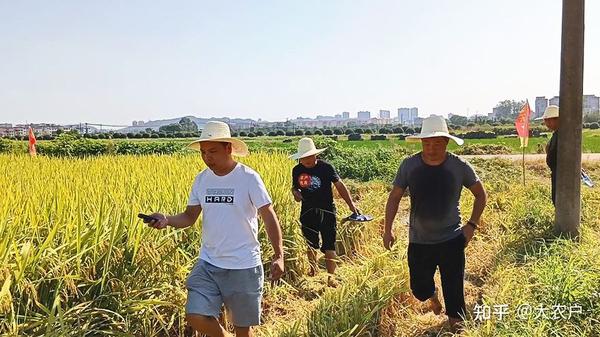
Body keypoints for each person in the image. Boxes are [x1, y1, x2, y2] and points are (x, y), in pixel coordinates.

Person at [147, 121, 285, 337]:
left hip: (243, 264)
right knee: (195, 315)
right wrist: (166, 220)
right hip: (209, 262)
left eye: (212, 151)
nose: (206, 157)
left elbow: (268, 215)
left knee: (242, 330)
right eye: (203, 152)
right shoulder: (201, 180)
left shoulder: (248, 178)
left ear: (228, 148)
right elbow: (189, 217)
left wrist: (279, 255)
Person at [383, 116, 487, 331]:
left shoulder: (459, 166)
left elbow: (480, 195)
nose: (431, 148)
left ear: (446, 142)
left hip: (452, 239)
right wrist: (388, 228)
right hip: (420, 241)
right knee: (419, 289)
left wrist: (471, 225)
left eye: (437, 143)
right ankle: (432, 296)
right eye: (427, 143)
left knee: (454, 292)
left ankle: (456, 326)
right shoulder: (409, 165)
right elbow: (394, 197)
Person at [289, 137, 360, 287]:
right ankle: (313, 271)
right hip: (307, 211)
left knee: (329, 244)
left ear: (316, 155)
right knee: (310, 243)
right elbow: (295, 188)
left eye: (309, 156)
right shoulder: (297, 170)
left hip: (327, 211)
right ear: (299, 159)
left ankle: (331, 278)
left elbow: (339, 185)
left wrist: (351, 205)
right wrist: (295, 192)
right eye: (303, 157)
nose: (307, 160)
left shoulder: (326, 168)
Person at [536, 105, 560, 204]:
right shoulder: (556, 134)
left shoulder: (562, 134)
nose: (547, 124)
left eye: (549, 120)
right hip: (556, 172)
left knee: (559, 199)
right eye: (546, 121)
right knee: (556, 199)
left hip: (561, 175)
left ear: (558, 119)